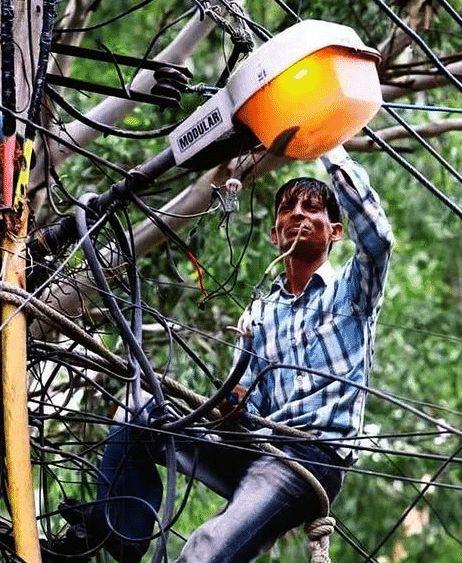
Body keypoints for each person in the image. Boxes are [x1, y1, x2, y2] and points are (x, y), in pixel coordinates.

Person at [49, 145, 393, 563]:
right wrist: (230, 406)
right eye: (287, 209)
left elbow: (378, 239)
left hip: (308, 460)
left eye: (313, 208)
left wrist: (327, 144)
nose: (298, 214)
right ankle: (118, 533)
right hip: (256, 446)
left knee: (205, 549)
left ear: (335, 231)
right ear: (274, 233)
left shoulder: (351, 293)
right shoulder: (261, 312)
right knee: (137, 410)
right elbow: (245, 408)